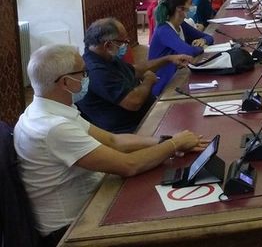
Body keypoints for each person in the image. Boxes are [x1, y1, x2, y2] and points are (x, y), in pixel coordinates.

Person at [15, 44, 206, 246]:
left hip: (91, 203)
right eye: (83, 73)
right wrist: (174, 144)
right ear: (65, 82)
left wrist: (165, 141)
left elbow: (114, 141)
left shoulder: (47, 111)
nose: (87, 77)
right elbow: (128, 165)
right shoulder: (54, 128)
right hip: (72, 228)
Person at [76, 18, 192, 133]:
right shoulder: (96, 71)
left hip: (146, 117)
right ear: (108, 45)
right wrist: (149, 80)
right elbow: (134, 102)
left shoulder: (106, 57)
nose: (125, 46)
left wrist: (168, 59)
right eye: (123, 42)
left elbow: (135, 70)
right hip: (130, 130)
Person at [149, 0, 213, 96]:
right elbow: (189, 51)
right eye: (190, 4)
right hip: (164, 85)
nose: (193, 7)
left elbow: (209, 37)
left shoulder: (181, 24)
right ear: (180, 8)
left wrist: (203, 40)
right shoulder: (163, 30)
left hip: (178, 75)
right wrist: (201, 46)